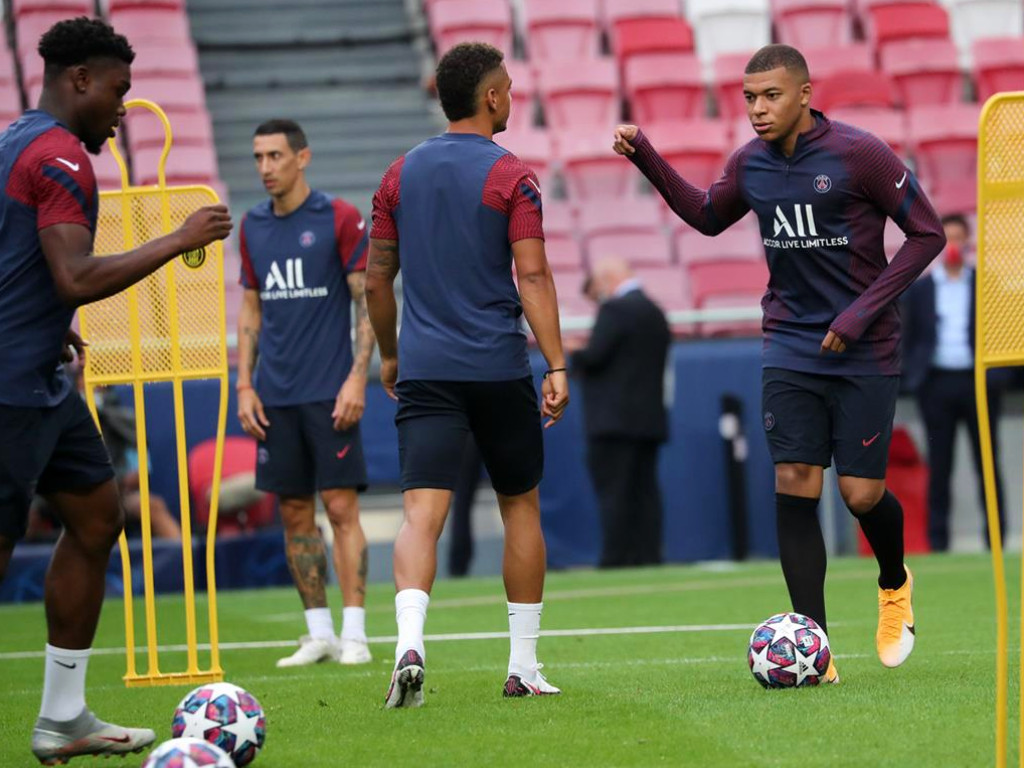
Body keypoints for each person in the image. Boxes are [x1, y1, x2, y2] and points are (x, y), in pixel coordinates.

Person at [614, 43, 946, 681]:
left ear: (804, 94)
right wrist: (647, 156)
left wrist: (858, 315)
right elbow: (707, 216)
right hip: (790, 343)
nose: (758, 110)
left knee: (860, 493)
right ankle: (815, 651)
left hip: (865, 345)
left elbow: (927, 232)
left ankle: (894, 582)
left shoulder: (860, 154)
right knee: (795, 481)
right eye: (748, 99)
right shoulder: (751, 164)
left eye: (770, 96)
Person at [0, 17, 232, 764]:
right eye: (117, 90)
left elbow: (32, 267)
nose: (122, 108)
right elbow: (75, 274)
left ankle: (63, 718)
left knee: (99, 517)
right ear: (80, 81)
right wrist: (179, 237)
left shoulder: (14, 139)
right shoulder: (62, 156)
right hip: (8, 383)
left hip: (41, 373)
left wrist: (47, 319)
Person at [366, 41, 569, 707]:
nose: (510, 97)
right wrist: (557, 362)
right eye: (507, 88)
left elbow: (376, 282)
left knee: (421, 515)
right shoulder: (513, 176)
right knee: (520, 506)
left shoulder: (398, 174)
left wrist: (390, 354)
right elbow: (532, 274)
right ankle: (523, 667)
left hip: (425, 370)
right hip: (495, 367)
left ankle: (409, 644)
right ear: (490, 98)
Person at [236, 119, 374, 667]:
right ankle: (319, 633)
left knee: (341, 508)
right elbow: (250, 308)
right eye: (257, 157)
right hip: (274, 394)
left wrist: (358, 376)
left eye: (274, 155)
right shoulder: (250, 226)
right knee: (294, 513)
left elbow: (364, 302)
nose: (266, 167)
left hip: (329, 391)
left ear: (303, 158)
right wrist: (244, 384)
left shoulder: (339, 218)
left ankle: (356, 633)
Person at [902, 213, 1006, 551]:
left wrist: (997, 378)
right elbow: (908, 338)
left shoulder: (985, 285)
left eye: (959, 238)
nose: (954, 246)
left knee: (987, 463)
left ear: (968, 242)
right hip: (937, 386)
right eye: (947, 239)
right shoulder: (920, 291)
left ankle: (995, 539)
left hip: (978, 384)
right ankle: (939, 542)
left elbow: (1002, 332)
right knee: (940, 465)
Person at [570, 257, 671, 568]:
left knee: (614, 493)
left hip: (613, 422)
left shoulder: (614, 310)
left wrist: (575, 352)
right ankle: (648, 555)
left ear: (608, 278)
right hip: (648, 420)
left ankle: (616, 557)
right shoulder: (655, 312)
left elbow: (596, 356)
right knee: (645, 491)